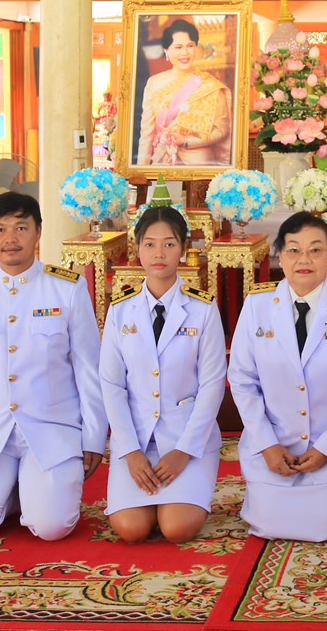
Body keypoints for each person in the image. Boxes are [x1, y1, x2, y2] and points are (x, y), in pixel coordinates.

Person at [0, 192, 105, 541]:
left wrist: (93, 436)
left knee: (51, 528)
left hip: (51, 429)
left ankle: (28, 488)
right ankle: (16, 490)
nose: (10, 239)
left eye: (20, 228)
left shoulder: (66, 288)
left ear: (38, 232)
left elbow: (89, 367)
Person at [230, 212, 327, 541]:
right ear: (279, 256)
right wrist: (267, 444)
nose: (304, 260)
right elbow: (242, 380)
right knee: (268, 525)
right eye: (293, 250)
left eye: (315, 250)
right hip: (273, 445)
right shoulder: (257, 305)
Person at [101, 206, 225, 543]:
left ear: (184, 249)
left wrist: (184, 450)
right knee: (131, 530)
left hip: (186, 439)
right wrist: (128, 449)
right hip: (137, 440)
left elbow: (213, 384)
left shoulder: (203, 308)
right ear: (137, 248)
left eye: (169, 244)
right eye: (150, 244)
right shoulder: (120, 309)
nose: (159, 253)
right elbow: (111, 384)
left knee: (176, 529)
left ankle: (183, 490)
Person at [135, 18, 232, 166]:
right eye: (178, 47)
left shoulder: (209, 85)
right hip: (162, 162)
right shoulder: (154, 83)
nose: (185, 53)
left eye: (190, 46)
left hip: (199, 163)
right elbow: (147, 134)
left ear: (196, 48)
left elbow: (222, 130)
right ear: (167, 50)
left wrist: (186, 141)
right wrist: (141, 172)